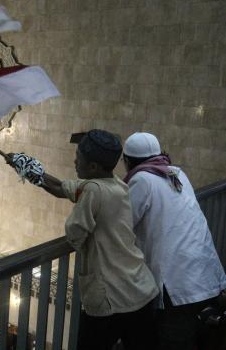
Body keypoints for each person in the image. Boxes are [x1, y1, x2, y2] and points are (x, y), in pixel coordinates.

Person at [12, 129, 158, 350]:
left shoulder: (93, 192)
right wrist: (31, 169)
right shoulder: (116, 184)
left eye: (78, 158)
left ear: (93, 167)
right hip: (140, 291)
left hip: (111, 298)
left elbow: (75, 234)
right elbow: (63, 188)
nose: (74, 161)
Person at [122, 132, 226, 350]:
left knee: (175, 340)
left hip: (177, 284)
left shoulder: (141, 180)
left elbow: (122, 223)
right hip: (204, 273)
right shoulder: (176, 173)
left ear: (127, 161)